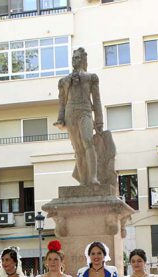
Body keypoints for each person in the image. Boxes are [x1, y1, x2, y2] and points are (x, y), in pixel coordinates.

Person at [54, 47, 103, 185]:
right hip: (70, 114)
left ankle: (93, 178)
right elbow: (62, 101)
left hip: (85, 111)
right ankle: (83, 181)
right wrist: (60, 118)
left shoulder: (91, 78)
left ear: (83, 60)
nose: (74, 60)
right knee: (78, 149)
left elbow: (97, 100)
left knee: (88, 142)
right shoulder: (64, 81)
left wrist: (99, 121)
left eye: (77, 58)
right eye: (73, 58)